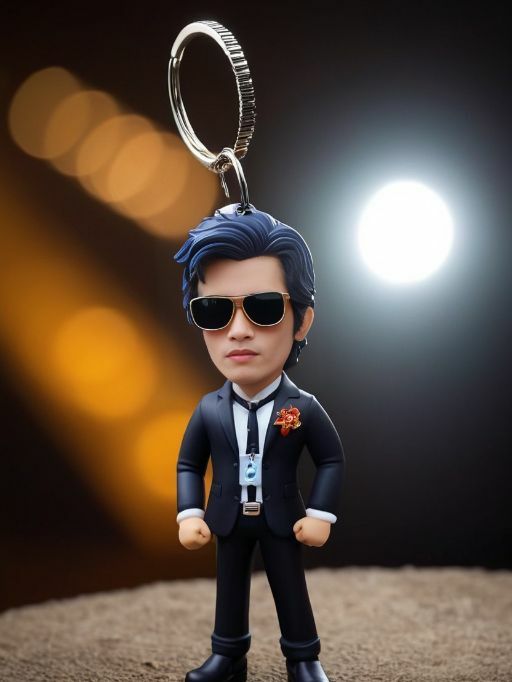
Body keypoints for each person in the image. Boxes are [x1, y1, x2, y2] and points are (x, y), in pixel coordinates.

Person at [174, 203, 345, 682]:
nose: (239, 331)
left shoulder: (303, 407)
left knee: (291, 588)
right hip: (227, 518)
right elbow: (188, 464)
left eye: (264, 307)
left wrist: (321, 514)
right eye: (213, 311)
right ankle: (227, 656)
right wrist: (189, 513)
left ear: (301, 321)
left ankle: (304, 657)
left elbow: (331, 459)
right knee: (228, 588)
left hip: (283, 519)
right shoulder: (209, 409)